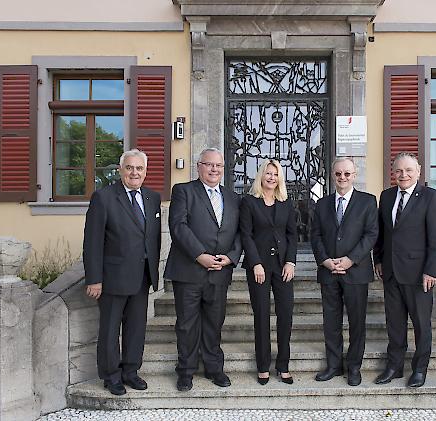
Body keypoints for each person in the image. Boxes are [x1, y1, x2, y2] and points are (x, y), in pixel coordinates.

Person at [83, 149, 162, 396]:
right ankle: (111, 376)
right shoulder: (104, 198)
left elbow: (153, 237)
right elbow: (92, 242)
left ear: (145, 172)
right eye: (130, 168)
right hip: (112, 278)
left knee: (136, 328)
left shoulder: (152, 198)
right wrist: (94, 279)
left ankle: (131, 372)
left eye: (139, 168)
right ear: (120, 170)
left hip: (142, 276)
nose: (134, 173)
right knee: (109, 329)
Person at [164, 148, 242, 392]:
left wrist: (230, 258)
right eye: (209, 165)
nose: (214, 169)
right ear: (199, 166)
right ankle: (186, 371)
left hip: (220, 271)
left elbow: (241, 232)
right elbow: (178, 227)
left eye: (218, 165)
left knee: (214, 323)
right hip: (189, 271)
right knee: (187, 324)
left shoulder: (233, 197)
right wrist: (200, 256)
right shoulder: (184, 191)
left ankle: (214, 368)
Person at [373, 152, 436, 388]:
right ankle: (394, 367)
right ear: (393, 173)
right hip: (391, 272)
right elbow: (382, 234)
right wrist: (378, 260)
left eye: (408, 170)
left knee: (421, 324)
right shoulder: (386, 197)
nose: (403, 175)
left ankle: (419, 369)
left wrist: (432, 271)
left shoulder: (431, 197)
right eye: (399, 171)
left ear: (419, 171)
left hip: (419, 275)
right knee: (394, 323)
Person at [310, 157, 378, 386]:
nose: (342, 178)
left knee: (357, 323)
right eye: (338, 173)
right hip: (329, 272)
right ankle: (333, 365)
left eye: (347, 174)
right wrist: (325, 261)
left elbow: (371, 235)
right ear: (332, 175)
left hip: (356, 272)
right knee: (331, 322)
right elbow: (315, 235)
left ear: (354, 175)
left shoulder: (368, 202)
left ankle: (354, 367)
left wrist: (350, 260)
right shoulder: (322, 204)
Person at [239, 159, 297, 385]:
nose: (271, 177)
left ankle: (283, 365)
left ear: (279, 178)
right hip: (259, 267)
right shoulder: (249, 202)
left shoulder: (286, 203)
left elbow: (293, 234)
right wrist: (255, 263)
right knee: (262, 316)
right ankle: (263, 366)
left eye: (275, 174)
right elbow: (246, 235)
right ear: (261, 176)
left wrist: (291, 262)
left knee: (286, 315)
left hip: (283, 266)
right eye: (267, 173)